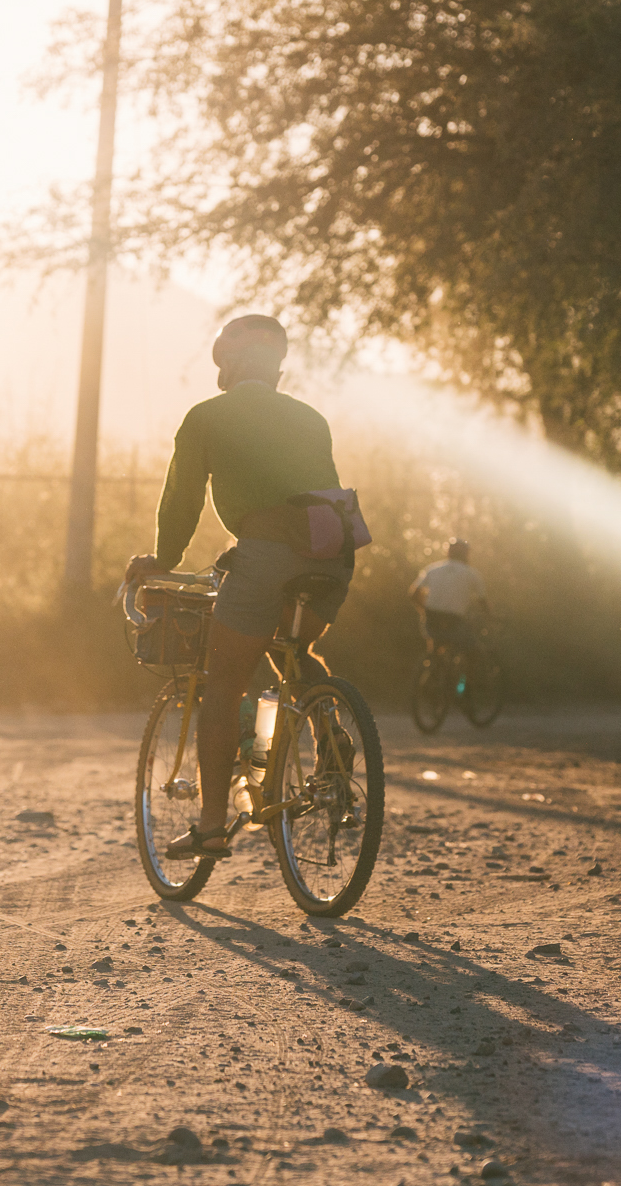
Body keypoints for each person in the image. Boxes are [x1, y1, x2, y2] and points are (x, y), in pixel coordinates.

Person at [123, 314, 355, 861]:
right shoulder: (310, 418)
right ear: (277, 369)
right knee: (293, 650)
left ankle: (208, 827)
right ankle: (328, 729)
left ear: (229, 365)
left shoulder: (207, 416)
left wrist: (163, 559)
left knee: (224, 680)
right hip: (333, 558)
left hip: (265, 552)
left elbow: (182, 498)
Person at [410, 539, 490, 657]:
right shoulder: (472, 574)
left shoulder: (433, 569)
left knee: (435, 649)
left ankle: (430, 667)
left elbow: (414, 594)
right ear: (466, 554)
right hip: (455, 620)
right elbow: (482, 601)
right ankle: (466, 675)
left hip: (432, 617)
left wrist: (424, 610)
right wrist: (488, 615)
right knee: (473, 652)